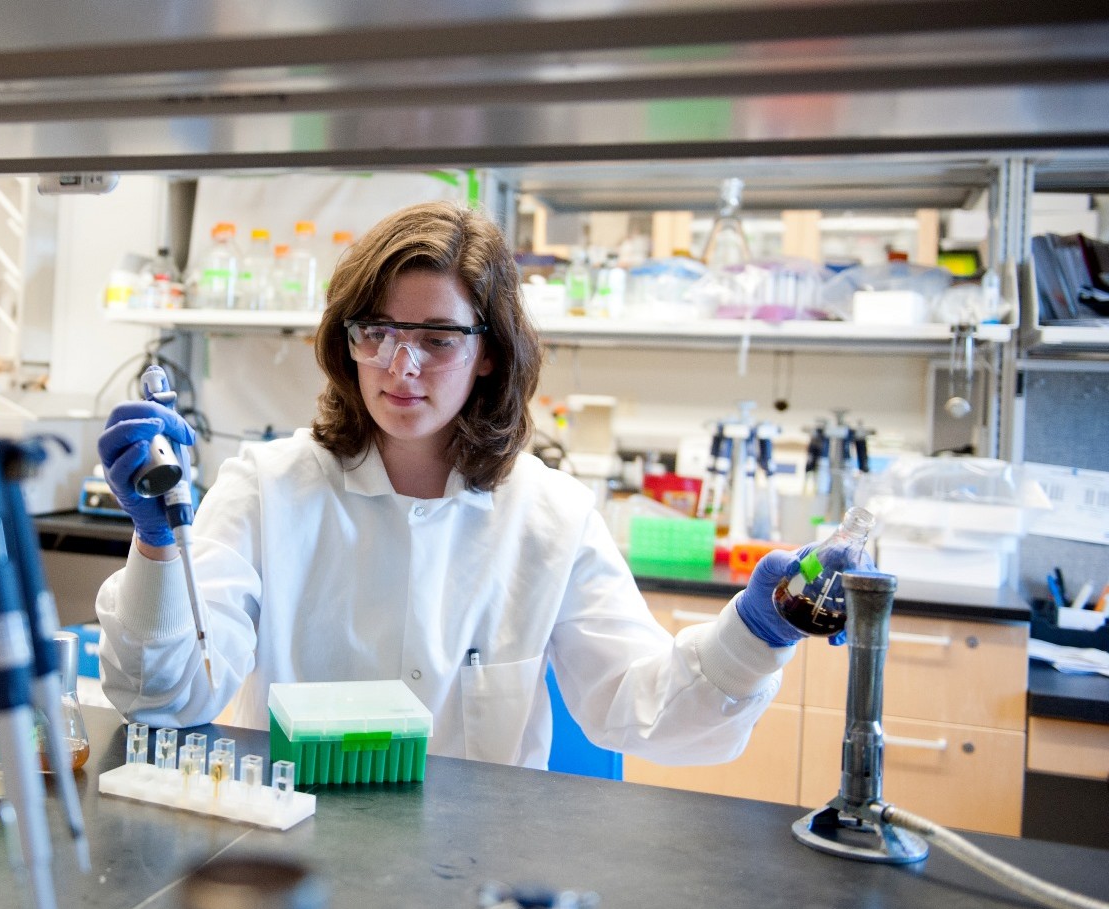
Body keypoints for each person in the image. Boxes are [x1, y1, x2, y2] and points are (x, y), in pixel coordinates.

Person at [94, 201, 848, 769]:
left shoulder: (549, 515)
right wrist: (158, 547)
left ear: (490, 352)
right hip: (297, 859)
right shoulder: (267, 489)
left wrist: (757, 633)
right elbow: (168, 697)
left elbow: (641, 709)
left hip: (478, 873)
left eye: (435, 338)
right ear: (347, 338)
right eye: (378, 332)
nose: (399, 366)